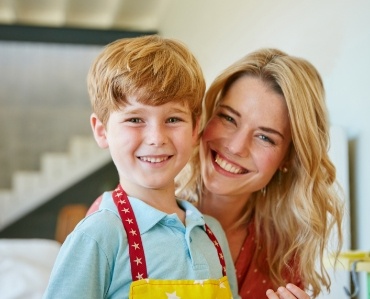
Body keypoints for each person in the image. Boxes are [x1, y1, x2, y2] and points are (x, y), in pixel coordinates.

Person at [43, 35, 239, 299]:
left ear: (195, 128)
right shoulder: (99, 236)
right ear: (102, 131)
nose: (156, 137)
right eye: (135, 119)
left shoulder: (212, 233)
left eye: (172, 118)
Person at [175, 48, 344, 299]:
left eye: (265, 137)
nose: (235, 146)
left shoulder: (283, 257)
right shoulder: (135, 217)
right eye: (228, 118)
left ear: (288, 157)